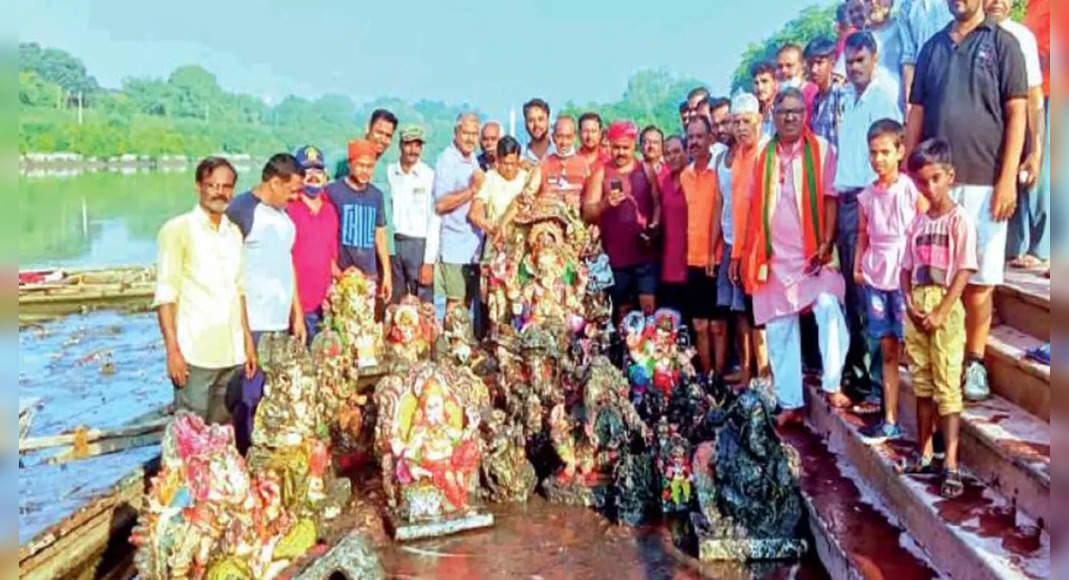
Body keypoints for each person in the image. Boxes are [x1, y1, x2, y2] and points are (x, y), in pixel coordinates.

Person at [904, 0, 1027, 401]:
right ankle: (943, 359)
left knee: (979, 282)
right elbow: (917, 114)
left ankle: (973, 363)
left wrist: (1007, 178)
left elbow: (1017, 113)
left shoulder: (1004, 43)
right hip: (935, 185)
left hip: (984, 182)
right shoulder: (931, 48)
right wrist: (911, 179)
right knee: (935, 279)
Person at [738, 88, 850, 426]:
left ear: (806, 115)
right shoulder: (761, 155)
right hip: (774, 255)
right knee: (778, 329)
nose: (790, 117)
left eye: (797, 111)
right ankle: (791, 403)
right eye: (784, 112)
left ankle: (832, 384)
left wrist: (827, 240)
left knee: (829, 307)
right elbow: (750, 204)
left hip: (814, 252)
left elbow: (830, 197)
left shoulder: (822, 150)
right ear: (773, 116)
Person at [900, 137, 978, 499]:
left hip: (944, 307)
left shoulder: (959, 220)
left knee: (948, 383)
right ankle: (926, 452)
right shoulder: (917, 222)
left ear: (950, 176)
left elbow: (963, 270)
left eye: (935, 179)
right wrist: (909, 305)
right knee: (922, 382)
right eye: (922, 181)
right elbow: (904, 269)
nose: (929, 188)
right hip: (917, 307)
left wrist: (942, 310)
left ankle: (951, 464)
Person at [154, 157, 255, 425]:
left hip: (230, 353)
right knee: (190, 433)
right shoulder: (178, 230)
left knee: (221, 435)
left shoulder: (233, 233)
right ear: (199, 186)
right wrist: (173, 351)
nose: (219, 192)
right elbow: (166, 295)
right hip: (195, 354)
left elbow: (239, 290)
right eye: (212, 185)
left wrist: (247, 341)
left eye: (226, 186)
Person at [834, 30, 903, 410]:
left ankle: (879, 387)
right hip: (847, 202)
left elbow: (888, 158)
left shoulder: (883, 97)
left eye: (861, 60)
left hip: (871, 203)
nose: (855, 67)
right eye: (850, 61)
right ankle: (861, 379)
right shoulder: (848, 98)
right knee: (854, 295)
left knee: (874, 293)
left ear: (874, 59)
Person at [225, 153, 307, 452]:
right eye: (292, 190)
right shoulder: (243, 212)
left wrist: (296, 313)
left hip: (279, 320)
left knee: (275, 392)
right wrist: (243, 328)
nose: (296, 197)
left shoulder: (284, 216)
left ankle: (268, 455)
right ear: (274, 182)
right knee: (249, 395)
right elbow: (228, 270)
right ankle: (245, 454)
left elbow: (288, 263)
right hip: (254, 321)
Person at [854, 120, 923, 442]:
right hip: (876, 275)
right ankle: (890, 419)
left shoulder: (909, 189)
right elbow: (862, 233)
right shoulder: (867, 196)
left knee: (915, 349)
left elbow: (925, 224)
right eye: (873, 153)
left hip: (905, 274)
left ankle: (927, 430)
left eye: (885, 152)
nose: (878, 159)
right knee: (887, 349)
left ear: (900, 151)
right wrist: (858, 265)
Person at [985, 0, 1047, 269]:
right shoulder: (962, 36)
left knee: (1032, 186)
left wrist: (1036, 149)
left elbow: (1034, 99)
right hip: (982, 138)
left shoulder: (1022, 37)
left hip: (1016, 128)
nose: (998, 2)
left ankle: (1040, 252)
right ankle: (1010, 252)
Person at [582, 121, 661, 321]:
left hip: (645, 254)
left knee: (648, 309)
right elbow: (587, 211)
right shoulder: (601, 172)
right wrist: (604, 204)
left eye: (625, 148)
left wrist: (653, 226)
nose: (621, 153)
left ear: (634, 146)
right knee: (621, 312)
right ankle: (621, 351)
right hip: (616, 258)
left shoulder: (646, 170)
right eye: (616, 147)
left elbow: (658, 203)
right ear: (609, 144)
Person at [727, 93, 770, 381]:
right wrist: (736, 255)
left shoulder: (768, 152)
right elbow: (739, 210)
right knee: (752, 318)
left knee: (765, 321)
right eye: (736, 122)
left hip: (766, 250)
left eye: (747, 121)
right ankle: (752, 375)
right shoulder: (739, 157)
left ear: (760, 120)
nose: (742, 127)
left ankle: (767, 380)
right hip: (744, 250)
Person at [714, 100, 754, 387]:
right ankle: (745, 366)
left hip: (750, 242)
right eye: (729, 123)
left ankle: (758, 370)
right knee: (736, 310)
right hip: (729, 241)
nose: (729, 128)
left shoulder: (756, 153)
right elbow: (720, 204)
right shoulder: (722, 159)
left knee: (754, 313)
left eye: (736, 122)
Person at [680, 117, 724, 375]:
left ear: (710, 139)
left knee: (718, 325)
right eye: (691, 137)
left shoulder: (719, 172)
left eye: (700, 136)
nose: (695, 142)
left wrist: (711, 250)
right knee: (699, 325)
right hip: (690, 260)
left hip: (716, 258)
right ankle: (707, 378)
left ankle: (718, 377)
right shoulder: (683, 176)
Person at [429, 113, 484, 315]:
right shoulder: (447, 160)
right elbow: (440, 204)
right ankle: (452, 346)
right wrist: (471, 191)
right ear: (456, 133)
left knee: (467, 303)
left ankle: (463, 345)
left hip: (473, 246)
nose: (470, 138)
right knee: (455, 305)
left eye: (474, 134)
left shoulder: (472, 160)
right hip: (454, 247)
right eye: (466, 133)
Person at [326, 139, 392, 300]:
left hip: (368, 275)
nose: (365, 171)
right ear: (350, 164)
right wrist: (334, 269)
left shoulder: (376, 196)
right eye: (360, 165)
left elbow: (380, 237)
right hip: (341, 273)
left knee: (364, 321)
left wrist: (387, 274)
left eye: (370, 167)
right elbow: (324, 236)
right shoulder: (333, 192)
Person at [287, 145, 338, 343]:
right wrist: (295, 311)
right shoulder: (289, 209)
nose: (313, 176)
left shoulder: (330, 211)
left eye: (318, 171)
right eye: (307, 172)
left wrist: (352, 282)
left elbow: (330, 260)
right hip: (297, 306)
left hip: (324, 308)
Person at [387, 125, 436, 302]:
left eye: (417, 145)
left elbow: (434, 220)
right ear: (400, 145)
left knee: (423, 303)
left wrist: (429, 261)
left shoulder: (429, 176)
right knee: (394, 300)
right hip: (394, 243)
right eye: (408, 144)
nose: (413, 150)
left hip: (419, 245)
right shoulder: (389, 172)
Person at [469, 136, 531, 245]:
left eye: (513, 163)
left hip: (521, 241)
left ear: (518, 160)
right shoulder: (488, 178)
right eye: (505, 163)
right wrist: (490, 227)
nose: (509, 168)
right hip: (496, 240)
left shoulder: (526, 178)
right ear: (497, 160)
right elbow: (475, 211)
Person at [899, 0, 953, 108]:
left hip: (956, 77)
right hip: (925, 84)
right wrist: (909, 105)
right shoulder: (906, 7)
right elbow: (909, 58)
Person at [657, 135, 689, 315]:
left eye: (677, 151)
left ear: (686, 151)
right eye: (667, 153)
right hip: (669, 264)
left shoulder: (694, 178)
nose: (672, 157)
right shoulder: (665, 183)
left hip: (691, 261)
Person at [539, 115, 592, 207]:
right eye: (560, 136)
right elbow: (537, 198)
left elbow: (590, 199)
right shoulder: (544, 164)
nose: (564, 142)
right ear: (553, 137)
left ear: (574, 137)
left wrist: (577, 201)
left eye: (568, 137)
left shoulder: (584, 165)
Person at [805, 37, 845, 145]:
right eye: (810, 64)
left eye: (819, 63)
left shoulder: (841, 96)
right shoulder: (816, 101)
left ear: (832, 62)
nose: (814, 69)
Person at [865, 0, 905, 107]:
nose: (873, 2)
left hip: (898, 112)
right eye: (867, 0)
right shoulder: (859, 39)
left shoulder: (903, 29)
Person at [750, 61, 779, 137]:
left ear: (776, 83)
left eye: (764, 81)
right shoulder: (753, 115)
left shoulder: (782, 110)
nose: (760, 88)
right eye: (756, 83)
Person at [522, 98, 552, 165]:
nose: (536, 125)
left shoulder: (560, 153)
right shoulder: (520, 157)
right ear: (525, 123)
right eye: (531, 120)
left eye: (540, 119)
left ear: (548, 121)